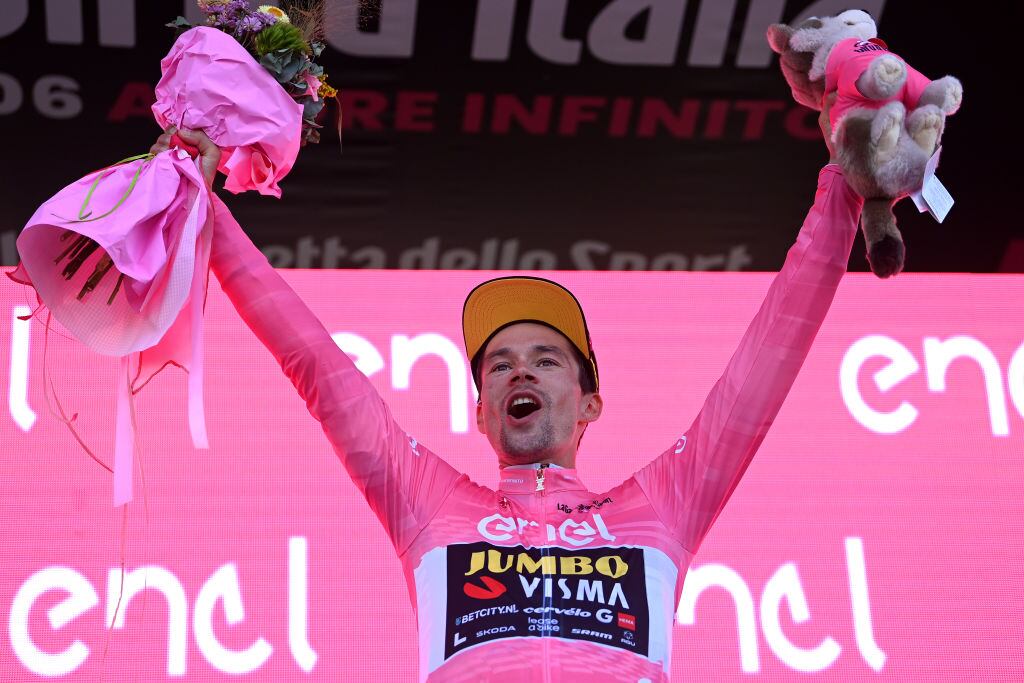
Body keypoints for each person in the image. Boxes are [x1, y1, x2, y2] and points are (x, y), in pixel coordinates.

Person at [149, 96, 861, 682]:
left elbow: (765, 364)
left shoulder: (659, 507)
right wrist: (202, 204)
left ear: (589, 405)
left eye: (547, 360)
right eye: (498, 365)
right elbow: (313, 361)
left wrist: (844, 188)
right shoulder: (429, 502)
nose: (520, 371)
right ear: (482, 413)